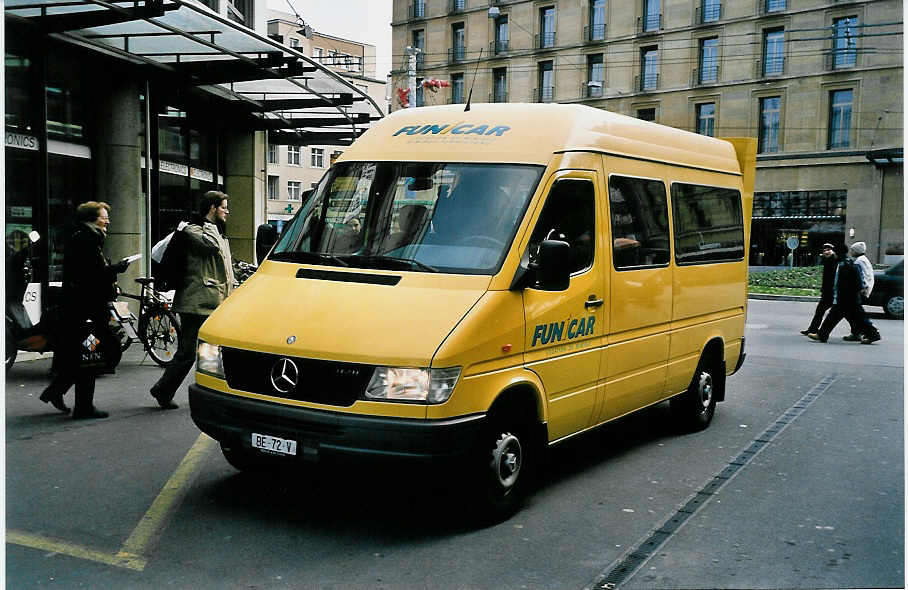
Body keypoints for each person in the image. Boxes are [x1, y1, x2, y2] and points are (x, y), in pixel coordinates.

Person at [39, 202, 130, 418]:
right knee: (90, 355)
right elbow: (91, 276)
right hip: (86, 310)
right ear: (92, 219)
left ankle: (57, 392)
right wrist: (115, 269)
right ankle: (83, 406)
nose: (107, 221)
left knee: (84, 355)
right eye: (104, 217)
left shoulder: (85, 238)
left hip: (83, 309)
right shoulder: (86, 240)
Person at [149, 191, 235, 408]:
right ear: (212, 208)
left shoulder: (216, 231)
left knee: (209, 351)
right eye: (224, 207)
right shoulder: (194, 230)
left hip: (212, 302)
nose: (227, 212)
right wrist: (208, 224)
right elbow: (211, 246)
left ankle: (208, 393)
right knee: (189, 352)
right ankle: (164, 390)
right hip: (196, 303)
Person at [808, 243, 881, 344]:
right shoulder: (847, 262)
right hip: (849, 297)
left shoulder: (846, 265)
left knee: (846, 316)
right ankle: (823, 335)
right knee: (845, 316)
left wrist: (839, 294)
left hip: (846, 297)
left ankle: (873, 334)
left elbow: (846, 283)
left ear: (837, 253)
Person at [800, 243, 838, 336]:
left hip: (831, 292)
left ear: (833, 251)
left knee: (823, 311)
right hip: (828, 291)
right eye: (824, 250)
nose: (826, 252)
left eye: (828, 250)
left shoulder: (834, 261)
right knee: (821, 311)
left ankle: (813, 330)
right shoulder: (828, 261)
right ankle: (813, 329)